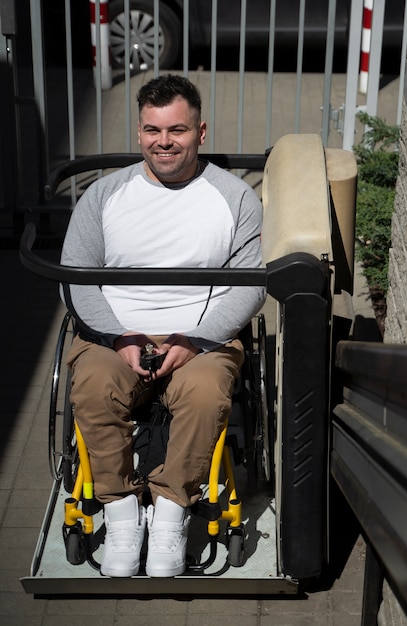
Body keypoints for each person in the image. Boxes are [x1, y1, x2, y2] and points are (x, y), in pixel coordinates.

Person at [61, 74, 266, 578]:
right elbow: (74, 279)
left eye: (177, 129)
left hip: (201, 338)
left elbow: (250, 286)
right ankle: (123, 513)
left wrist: (195, 340)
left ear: (201, 132)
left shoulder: (235, 198)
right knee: (91, 384)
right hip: (115, 336)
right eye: (153, 130)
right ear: (138, 133)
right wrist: (117, 336)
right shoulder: (104, 196)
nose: (164, 141)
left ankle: (171, 514)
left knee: (203, 396)